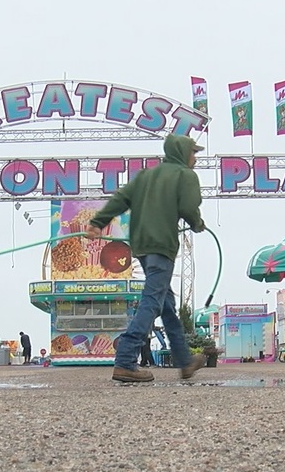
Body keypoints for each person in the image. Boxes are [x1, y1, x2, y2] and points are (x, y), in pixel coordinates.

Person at [86, 133, 207, 382]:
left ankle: (185, 361)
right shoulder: (185, 176)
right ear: (183, 152)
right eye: (193, 152)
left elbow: (120, 198)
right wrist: (197, 223)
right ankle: (126, 360)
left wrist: (98, 222)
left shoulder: (145, 176)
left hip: (141, 246)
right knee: (152, 302)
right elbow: (188, 207)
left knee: (167, 306)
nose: (195, 157)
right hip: (162, 246)